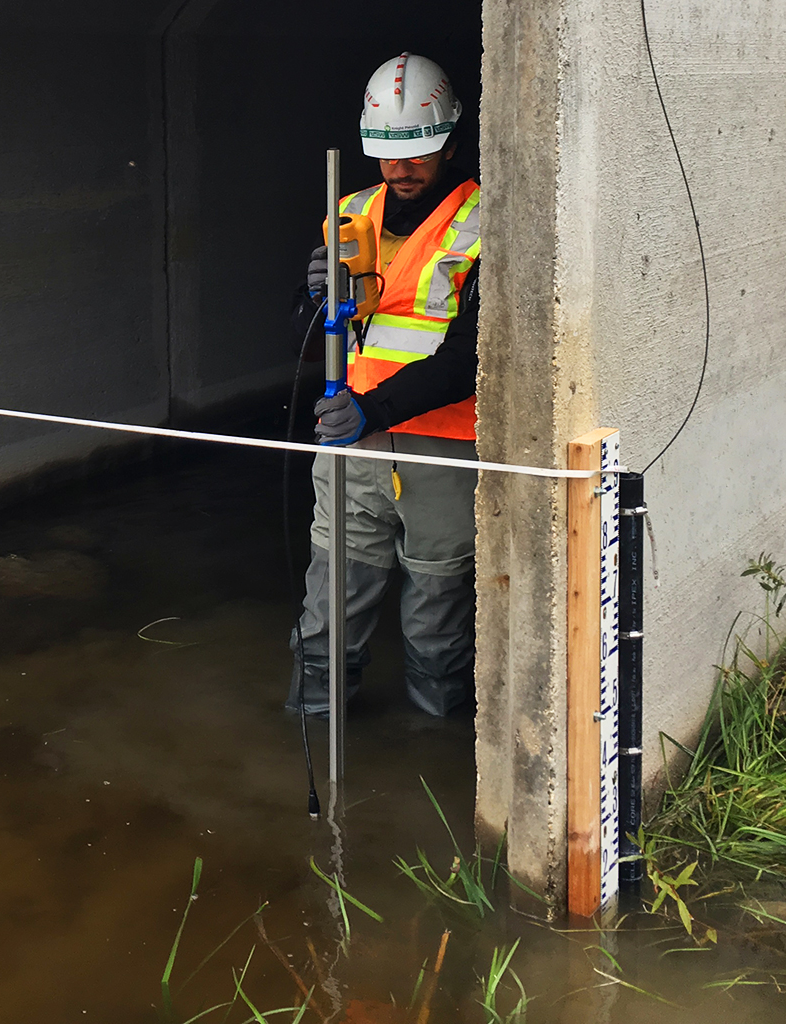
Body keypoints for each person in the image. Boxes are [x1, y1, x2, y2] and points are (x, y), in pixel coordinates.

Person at [287, 52, 481, 719]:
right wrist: (314, 299)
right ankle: (310, 718)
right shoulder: (352, 212)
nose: (399, 170)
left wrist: (372, 408)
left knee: (435, 611)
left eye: (417, 155)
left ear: (451, 143)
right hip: (353, 448)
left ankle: (435, 736)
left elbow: (472, 356)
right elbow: (306, 338)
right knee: (330, 602)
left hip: (443, 450)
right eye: (387, 156)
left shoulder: (484, 222)